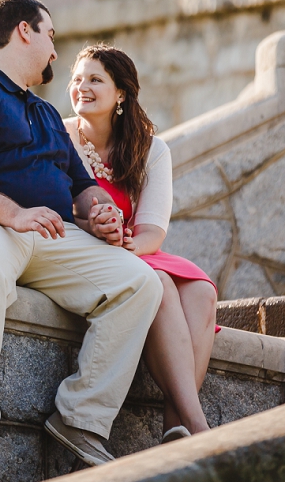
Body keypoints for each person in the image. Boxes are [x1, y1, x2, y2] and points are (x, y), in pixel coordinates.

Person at [0, 0, 163, 466]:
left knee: (139, 282)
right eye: (50, 36)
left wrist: (99, 215)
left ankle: (81, 418)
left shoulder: (47, 113)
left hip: (46, 232)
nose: (54, 52)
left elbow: (82, 187)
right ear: (23, 30)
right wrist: (13, 214)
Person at [65, 43, 218, 444]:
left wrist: (127, 245)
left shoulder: (149, 148)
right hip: (81, 247)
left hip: (135, 247)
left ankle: (174, 424)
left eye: (95, 79)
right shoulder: (58, 136)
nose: (82, 86)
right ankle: (198, 427)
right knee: (161, 285)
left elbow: (153, 230)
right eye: (77, 79)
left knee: (201, 291)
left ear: (120, 94)